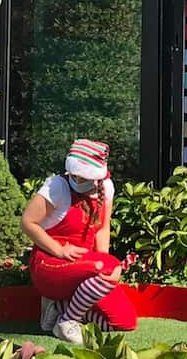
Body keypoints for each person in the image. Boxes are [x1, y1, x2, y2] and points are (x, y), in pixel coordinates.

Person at [20, 139, 138, 345]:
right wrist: (58, 249)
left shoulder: (106, 187)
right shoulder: (57, 186)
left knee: (125, 321)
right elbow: (28, 222)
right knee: (109, 266)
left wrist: (103, 269)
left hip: (84, 267)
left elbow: (102, 228)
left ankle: (61, 309)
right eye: (75, 174)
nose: (77, 178)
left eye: (83, 175)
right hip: (49, 265)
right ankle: (67, 321)